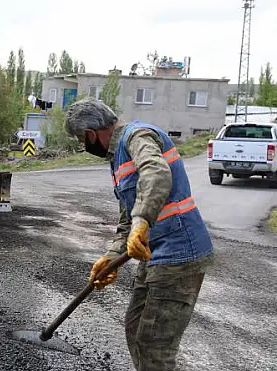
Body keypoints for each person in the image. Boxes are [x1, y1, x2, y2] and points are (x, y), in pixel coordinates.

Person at [63, 97, 214, 371]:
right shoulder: (117, 158)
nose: (82, 146)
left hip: (180, 253)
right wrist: (111, 256)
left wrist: (142, 221)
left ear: (90, 134)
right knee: (135, 327)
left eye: (80, 141)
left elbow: (156, 173)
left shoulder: (137, 136)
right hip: (156, 256)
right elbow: (126, 219)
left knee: (154, 344)